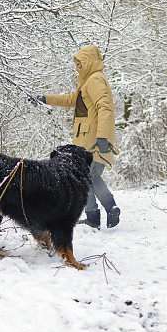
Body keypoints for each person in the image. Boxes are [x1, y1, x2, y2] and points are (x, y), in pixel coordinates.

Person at [32, 45, 121, 228]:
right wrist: (45, 99)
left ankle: (106, 209)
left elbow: (105, 108)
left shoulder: (95, 80)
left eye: (79, 63)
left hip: (93, 140)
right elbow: (71, 100)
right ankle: (97, 214)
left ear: (88, 63)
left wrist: (103, 138)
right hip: (86, 138)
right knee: (88, 176)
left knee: (88, 176)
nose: (77, 67)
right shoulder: (87, 82)